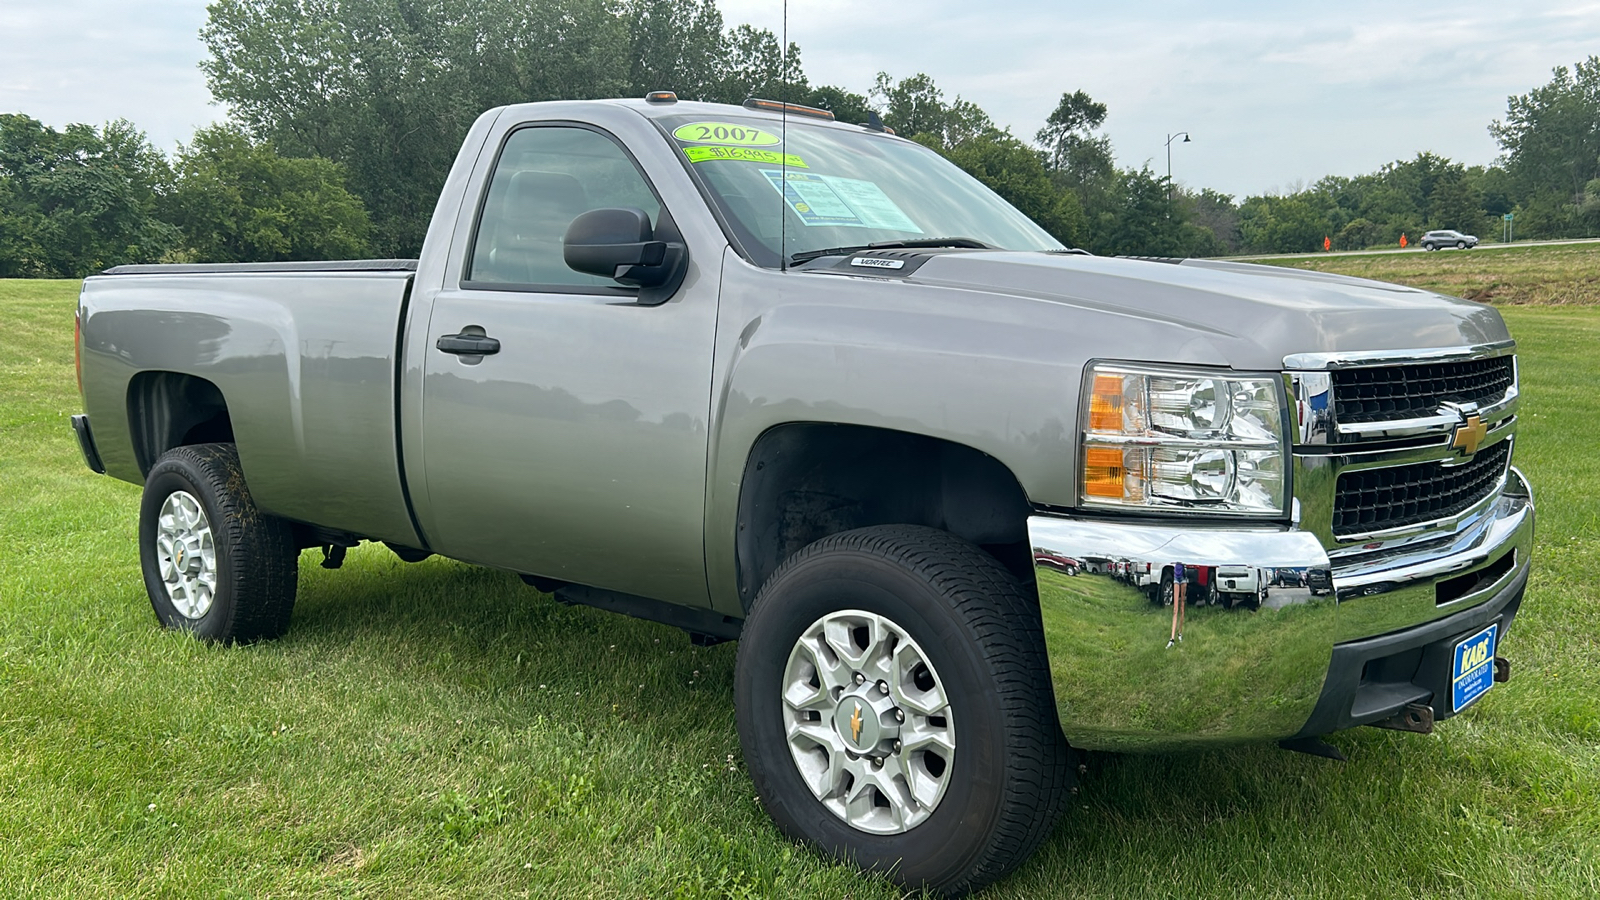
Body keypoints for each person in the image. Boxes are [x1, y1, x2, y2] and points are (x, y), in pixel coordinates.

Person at [1167, 561, 1186, 649]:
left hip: (1183, 578)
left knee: (1182, 607)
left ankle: (1180, 633)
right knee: (1175, 609)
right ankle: (1172, 639)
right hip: (1176, 577)